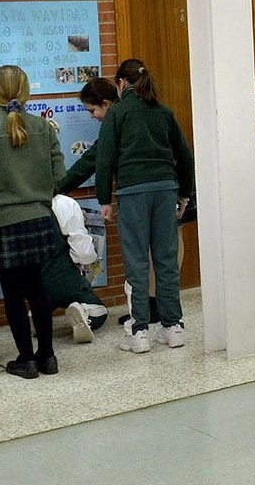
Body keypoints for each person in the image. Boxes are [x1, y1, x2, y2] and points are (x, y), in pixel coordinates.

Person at [0, 65, 66, 379]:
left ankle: (25, 359)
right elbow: (60, 175)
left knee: (13, 293)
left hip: (2, 223)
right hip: (39, 219)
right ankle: (48, 356)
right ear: (25, 91)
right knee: (38, 289)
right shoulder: (44, 128)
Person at [95, 58, 195, 354]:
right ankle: (172, 327)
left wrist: (104, 199)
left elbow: (105, 159)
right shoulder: (164, 112)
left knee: (137, 262)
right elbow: (185, 156)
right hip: (166, 190)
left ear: (121, 84)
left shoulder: (118, 113)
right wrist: (184, 195)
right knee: (166, 260)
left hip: (132, 193)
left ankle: (139, 332)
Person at [46, 194, 108, 343]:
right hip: (64, 278)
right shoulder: (64, 203)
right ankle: (85, 312)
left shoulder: (17, 205)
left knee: (41, 301)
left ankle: (36, 316)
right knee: (101, 311)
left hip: (32, 283)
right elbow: (84, 254)